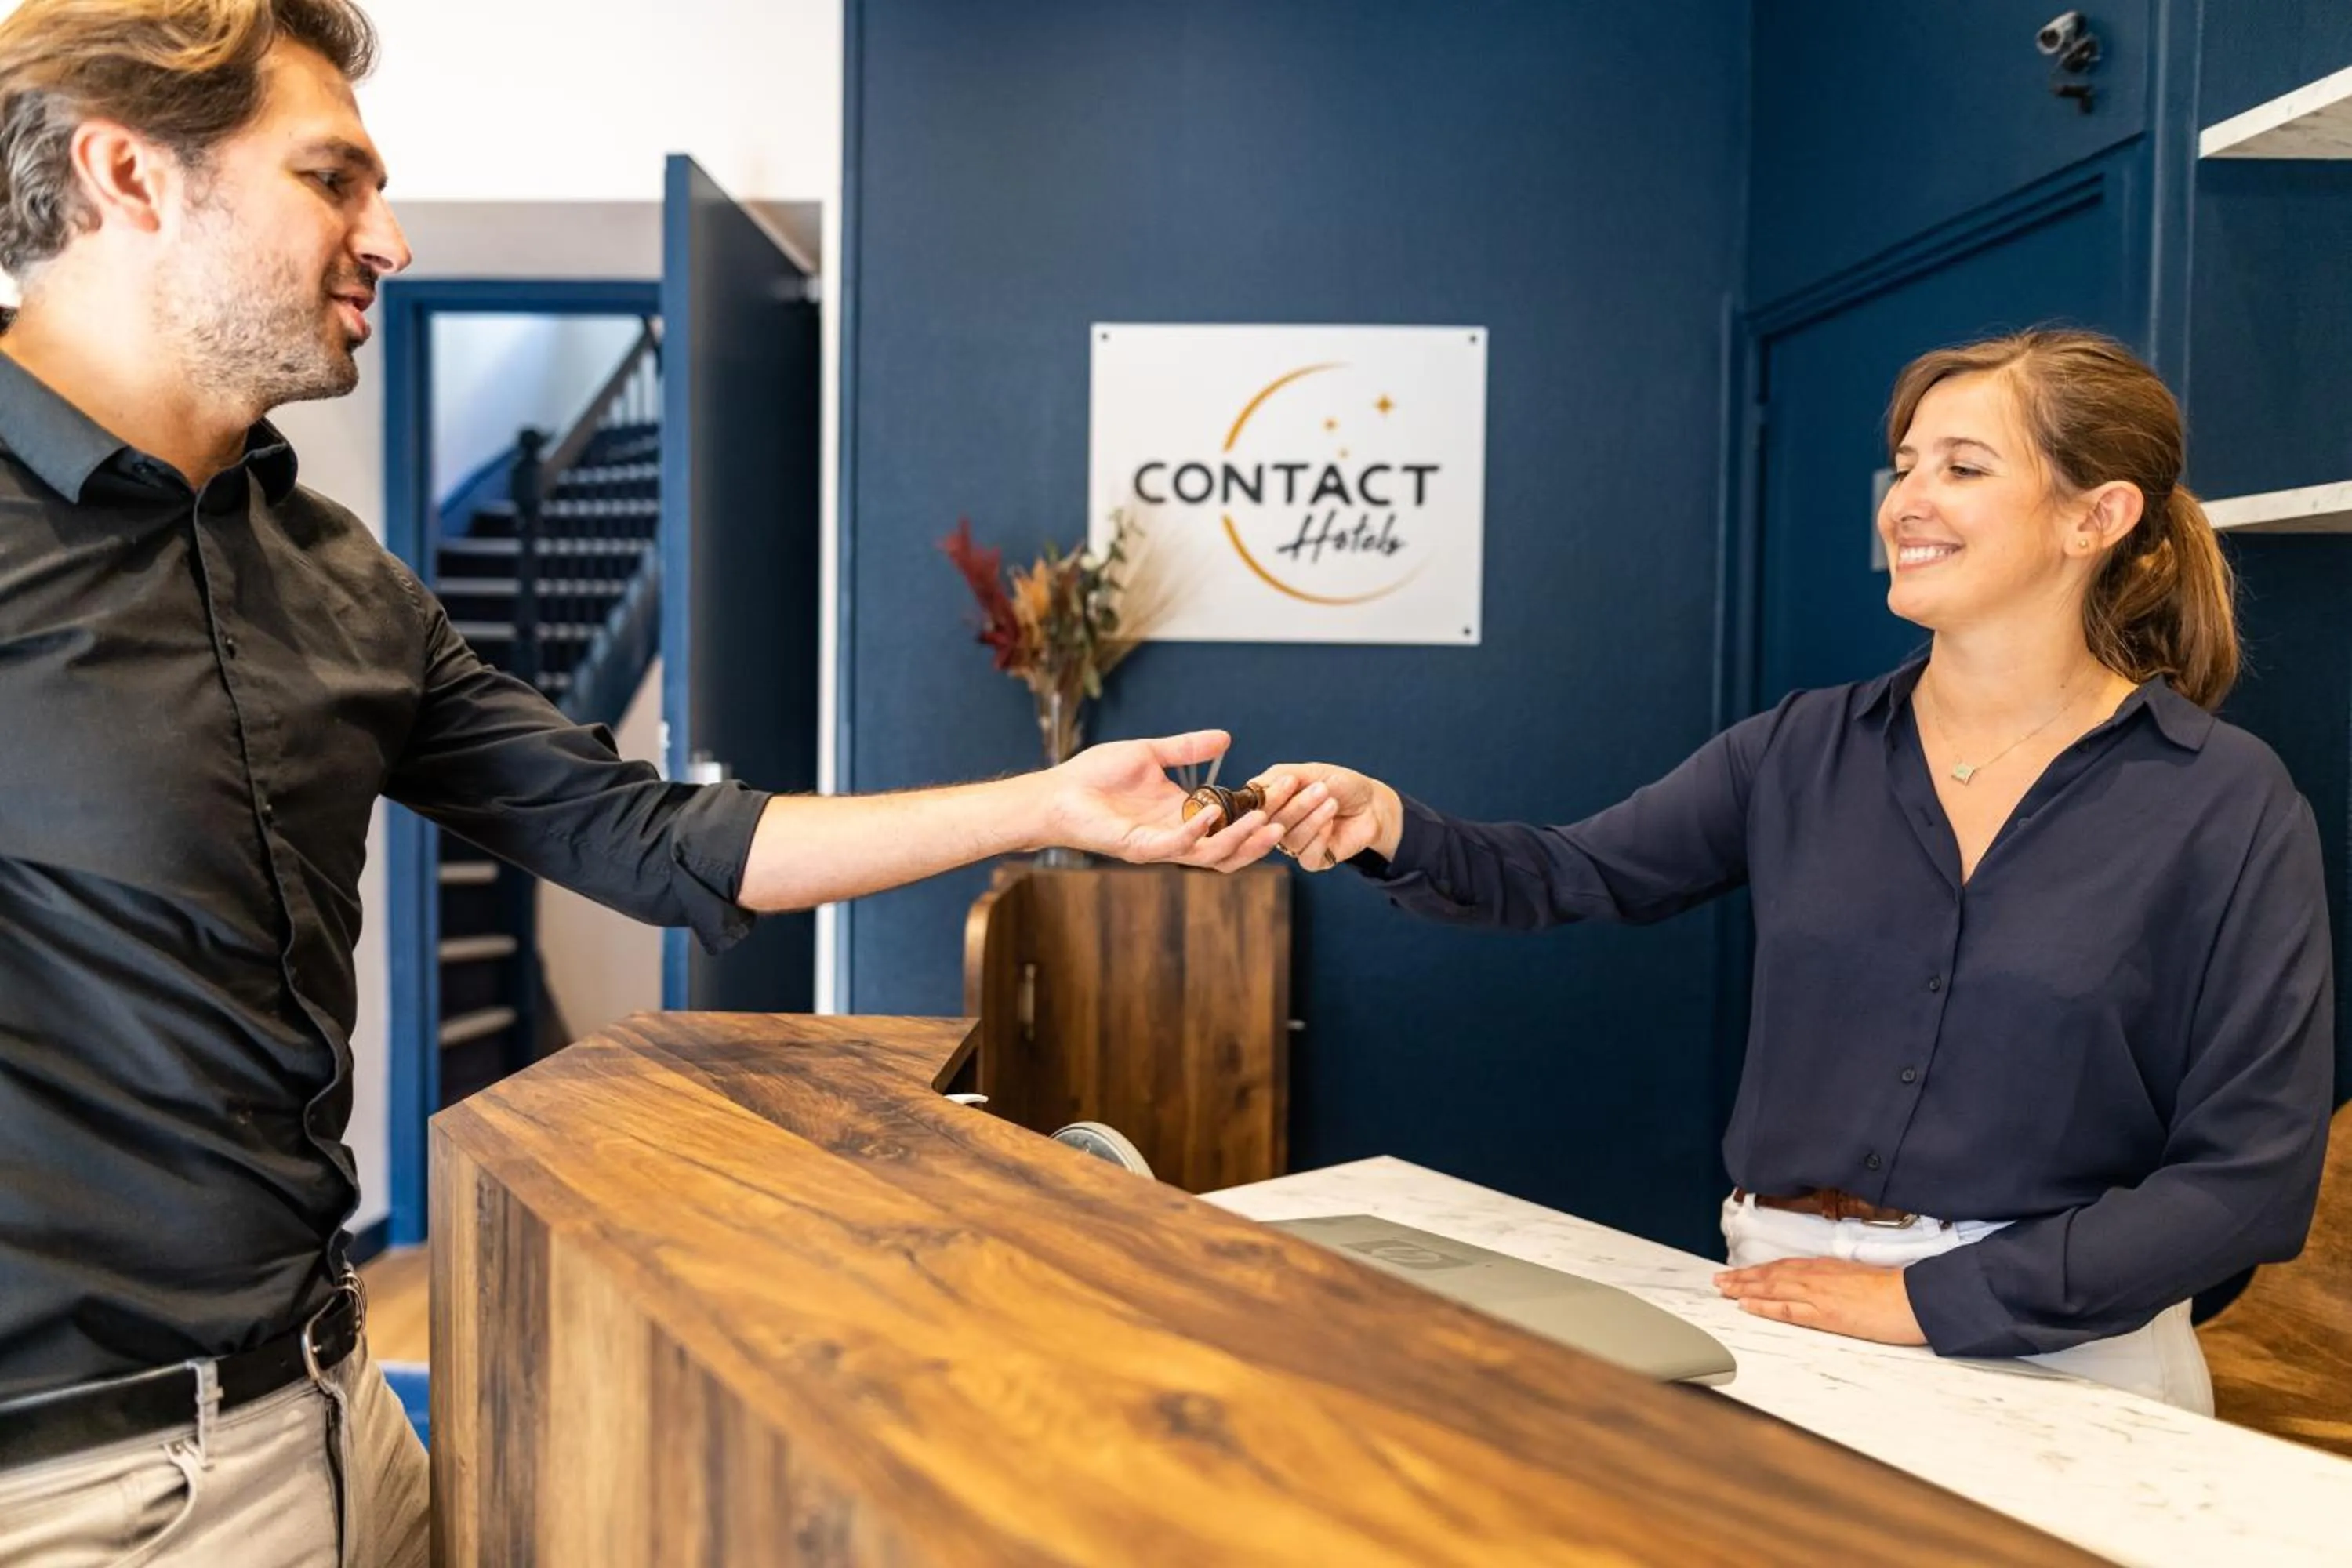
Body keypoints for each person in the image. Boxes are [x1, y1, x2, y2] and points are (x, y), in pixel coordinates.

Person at [0, 2, 1340, 1563]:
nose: (391, 238)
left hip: (337, 1412)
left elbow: (643, 834)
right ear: (127, 176)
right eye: (334, 180)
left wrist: (1049, 808)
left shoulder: (341, 583)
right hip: (72, 1488)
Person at [1243, 328, 2333, 1415]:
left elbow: (2250, 1180)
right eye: (1904, 465)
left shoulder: (2224, 802)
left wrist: (1930, 1299)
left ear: (2096, 517)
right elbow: (1570, 872)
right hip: (1780, 1301)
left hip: (2077, 1351)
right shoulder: (1799, 750)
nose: (1907, 498)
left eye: (1963, 466)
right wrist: (1388, 821)